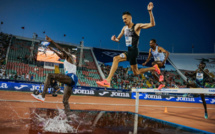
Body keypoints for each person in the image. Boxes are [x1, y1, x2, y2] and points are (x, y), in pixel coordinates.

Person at [96, 2, 156, 87]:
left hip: (134, 51)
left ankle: (107, 80)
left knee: (115, 58)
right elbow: (118, 39)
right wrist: (114, 39)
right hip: (129, 50)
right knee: (136, 72)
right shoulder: (124, 28)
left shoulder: (136, 26)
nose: (124, 21)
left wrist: (150, 11)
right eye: (123, 19)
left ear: (130, 18)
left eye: (125, 19)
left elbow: (152, 24)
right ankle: (154, 68)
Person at [31, 35, 78, 118]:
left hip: (71, 77)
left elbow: (62, 50)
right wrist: (52, 50)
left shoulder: (70, 57)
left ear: (66, 53)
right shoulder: (66, 58)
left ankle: (42, 96)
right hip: (70, 80)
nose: (62, 54)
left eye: (63, 53)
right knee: (65, 100)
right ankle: (68, 116)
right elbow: (60, 55)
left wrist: (52, 41)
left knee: (49, 75)